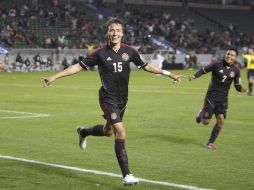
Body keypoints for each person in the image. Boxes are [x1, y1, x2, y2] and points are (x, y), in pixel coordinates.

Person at [41, 18, 184, 186]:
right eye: (112, 30)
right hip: (107, 98)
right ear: (107, 33)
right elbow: (78, 67)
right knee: (121, 133)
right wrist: (55, 77)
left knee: (107, 131)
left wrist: (169, 74)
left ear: (122, 33)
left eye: (118, 30)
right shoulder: (99, 53)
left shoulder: (130, 51)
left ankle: (83, 132)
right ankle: (127, 175)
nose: (115, 33)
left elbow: (146, 66)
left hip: (123, 99)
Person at [189, 48, 246, 150]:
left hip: (223, 100)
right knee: (206, 122)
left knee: (221, 120)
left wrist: (241, 89)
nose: (229, 56)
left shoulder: (236, 70)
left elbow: (237, 85)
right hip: (211, 97)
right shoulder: (216, 64)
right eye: (228, 54)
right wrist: (194, 76)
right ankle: (201, 113)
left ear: (235, 57)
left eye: (232, 55)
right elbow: (203, 70)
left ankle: (210, 143)